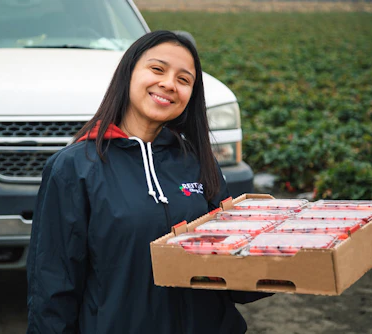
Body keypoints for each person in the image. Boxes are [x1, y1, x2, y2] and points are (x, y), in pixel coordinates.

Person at [26, 30, 272, 334]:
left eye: (184, 80)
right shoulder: (74, 168)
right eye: (157, 69)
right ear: (128, 73)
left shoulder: (197, 161)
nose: (169, 84)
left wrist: (277, 262)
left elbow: (230, 273)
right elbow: (53, 285)